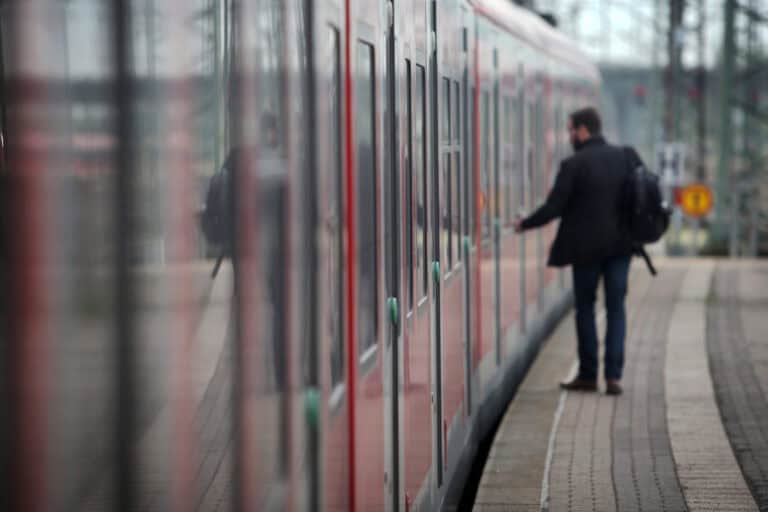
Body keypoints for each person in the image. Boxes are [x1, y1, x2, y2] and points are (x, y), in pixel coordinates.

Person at [514, 107, 636, 396]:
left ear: (583, 130)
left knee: (585, 309)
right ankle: (614, 377)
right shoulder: (626, 157)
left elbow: (554, 207)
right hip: (621, 248)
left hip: (586, 251)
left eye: (570, 130)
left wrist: (525, 223)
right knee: (616, 309)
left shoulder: (574, 165)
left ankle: (588, 374)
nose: (568, 136)